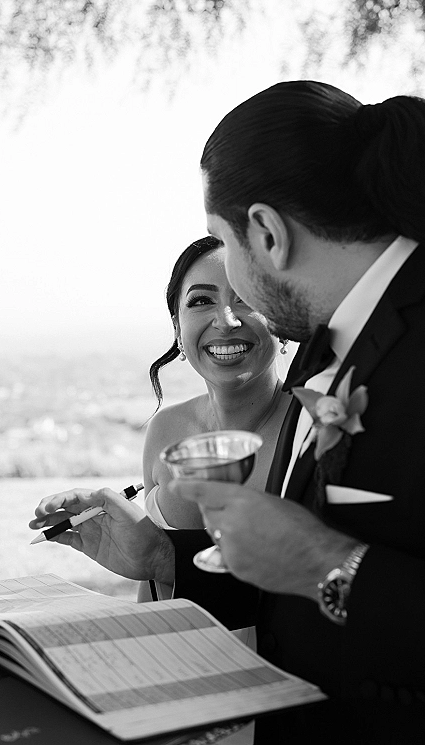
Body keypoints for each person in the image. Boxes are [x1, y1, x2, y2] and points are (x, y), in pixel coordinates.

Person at [30, 81, 425, 744]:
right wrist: (166, 556)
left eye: (226, 245)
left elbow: (324, 564)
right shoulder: (325, 342)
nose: (234, 296)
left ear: (266, 233)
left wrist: (330, 565)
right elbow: (299, 576)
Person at [139, 235, 290, 602]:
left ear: (284, 318)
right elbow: (152, 592)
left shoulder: (309, 428)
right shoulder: (165, 431)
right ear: (177, 325)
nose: (225, 320)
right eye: (202, 301)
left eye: (248, 297)